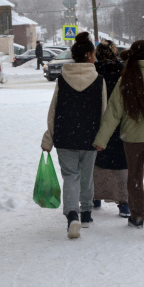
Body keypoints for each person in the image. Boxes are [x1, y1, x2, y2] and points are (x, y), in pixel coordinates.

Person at [93, 40, 144, 239]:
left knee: (135, 177)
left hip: (132, 139)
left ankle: (137, 216)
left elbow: (113, 112)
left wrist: (101, 139)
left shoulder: (125, 80)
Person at [41, 32, 106, 239]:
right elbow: (103, 111)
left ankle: (72, 215)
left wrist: (49, 137)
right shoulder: (99, 80)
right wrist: (102, 138)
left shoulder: (62, 79)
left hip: (65, 135)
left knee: (71, 176)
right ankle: (86, 213)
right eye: (94, 53)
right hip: (90, 136)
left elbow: (54, 111)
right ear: (88, 55)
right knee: (86, 176)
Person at [92, 40, 130, 218]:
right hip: (119, 125)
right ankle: (124, 204)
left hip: (97, 124)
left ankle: (95, 197)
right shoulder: (123, 72)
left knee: (96, 163)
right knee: (121, 165)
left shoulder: (93, 72)